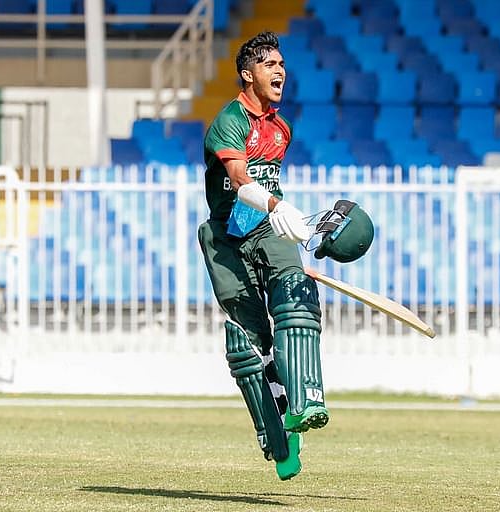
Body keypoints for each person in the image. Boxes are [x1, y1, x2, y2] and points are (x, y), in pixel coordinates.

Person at [197, 31, 327, 481]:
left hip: (265, 230)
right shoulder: (229, 121)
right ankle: (278, 432)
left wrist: (295, 232)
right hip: (226, 239)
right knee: (249, 344)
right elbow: (240, 178)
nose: (280, 72)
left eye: (282, 65)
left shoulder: (281, 128)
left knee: (296, 294)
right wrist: (277, 205)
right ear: (247, 73)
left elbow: (268, 190)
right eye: (271, 64)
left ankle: (306, 401)